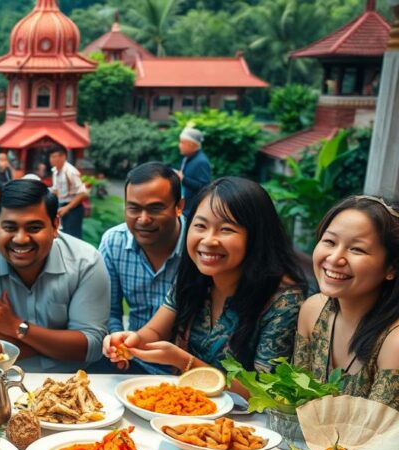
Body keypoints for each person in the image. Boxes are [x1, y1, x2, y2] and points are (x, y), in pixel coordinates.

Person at [102, 177, 306, 397]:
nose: (209, 240)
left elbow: (265, 392)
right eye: (200, 226)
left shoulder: (284, 301)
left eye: (226, 229)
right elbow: (155, 330)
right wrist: (131, 340)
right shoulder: (193, 277)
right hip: (188, 407)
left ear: (256, 236)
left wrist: (184, 361)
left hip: (248, 422)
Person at [0, 178, 110, 373]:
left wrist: (17, 327)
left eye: (34, 228)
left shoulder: (86, 262)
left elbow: (91, 345)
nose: (20, 239)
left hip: (71, 384)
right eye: (10, 228)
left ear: (55, 226)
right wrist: (51, 345)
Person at [292, 196, 399, 422]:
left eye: (357, 249)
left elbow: (377, 439)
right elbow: (295, 404)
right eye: (329, 241)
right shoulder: (313, 310)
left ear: (392, 267)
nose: (335, 258)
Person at [99, 162, 185, 374]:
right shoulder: (114, 242)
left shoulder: (198, 247)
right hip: (134, 360)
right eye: (134, 208)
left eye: (155, 208)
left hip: (187, 367)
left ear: (179, 206)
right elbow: (110, 310)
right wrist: (119, 347)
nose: (143, 219)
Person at [48, 146, 89, 239]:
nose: (51, 160)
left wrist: (67, 208)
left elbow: (83, 193)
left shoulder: (71, 171)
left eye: (54, 157)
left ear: (63, 157)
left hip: (73, 208)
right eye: (51, 157)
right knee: (62, 235)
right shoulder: (55, 171)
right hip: (61, 207)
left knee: (73, 237)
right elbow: (56, 190)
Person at [176, 127, 211, 216]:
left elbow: (205, 188)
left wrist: (183, 179)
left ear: (191, 144)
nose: (179, 145)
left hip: (192, 210)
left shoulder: (201, 162)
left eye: (182, 142)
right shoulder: (187, 157)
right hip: (184, 207)